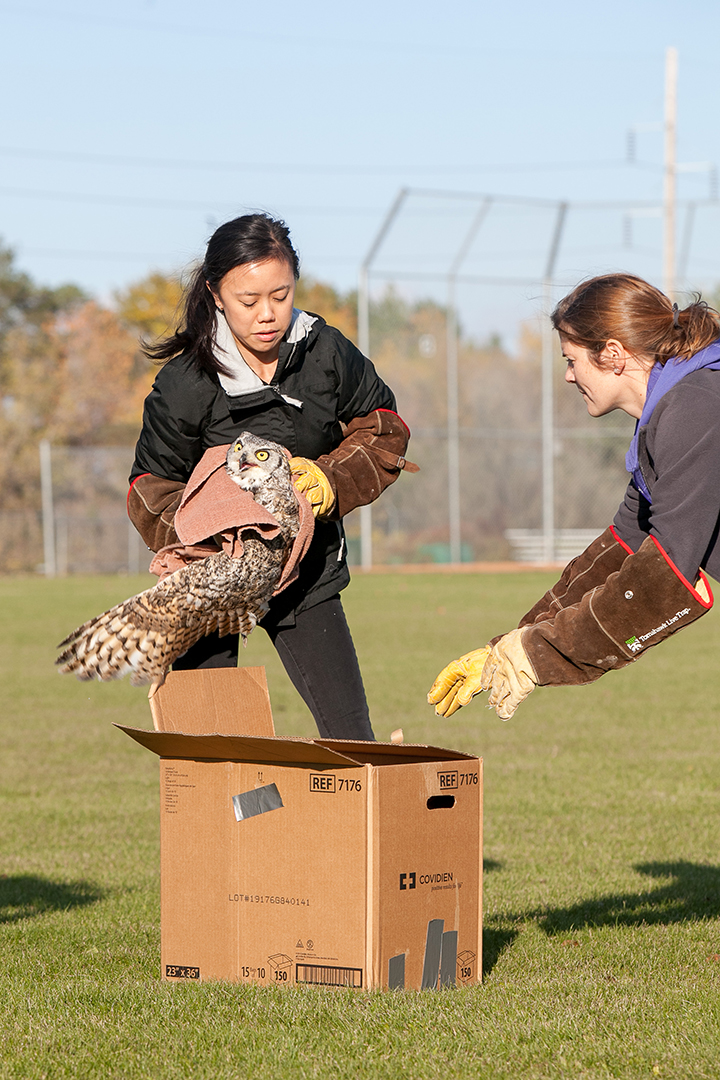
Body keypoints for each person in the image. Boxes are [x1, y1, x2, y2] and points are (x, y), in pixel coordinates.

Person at [128, 213, 414, 741]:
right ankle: (230, 825)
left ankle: (348, 825)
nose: (268, 314)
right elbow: (149, 488)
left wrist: (332, 479)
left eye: (281, 296)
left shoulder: (325, 351)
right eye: (248, 300)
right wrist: (210, 549)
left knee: (353, 739)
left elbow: (385, 427)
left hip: (307, 572)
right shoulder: (185, 382)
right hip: (211, 588)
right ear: (215, 293)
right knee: (209, 753)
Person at [428, 273, 720, 721]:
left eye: (571, 359)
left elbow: (664, 572)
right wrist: (507, 647)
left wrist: (534, 655)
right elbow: (621, 546)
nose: (568, 376)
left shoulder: (693, 407)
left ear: (613, 354)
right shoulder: (668, 415)